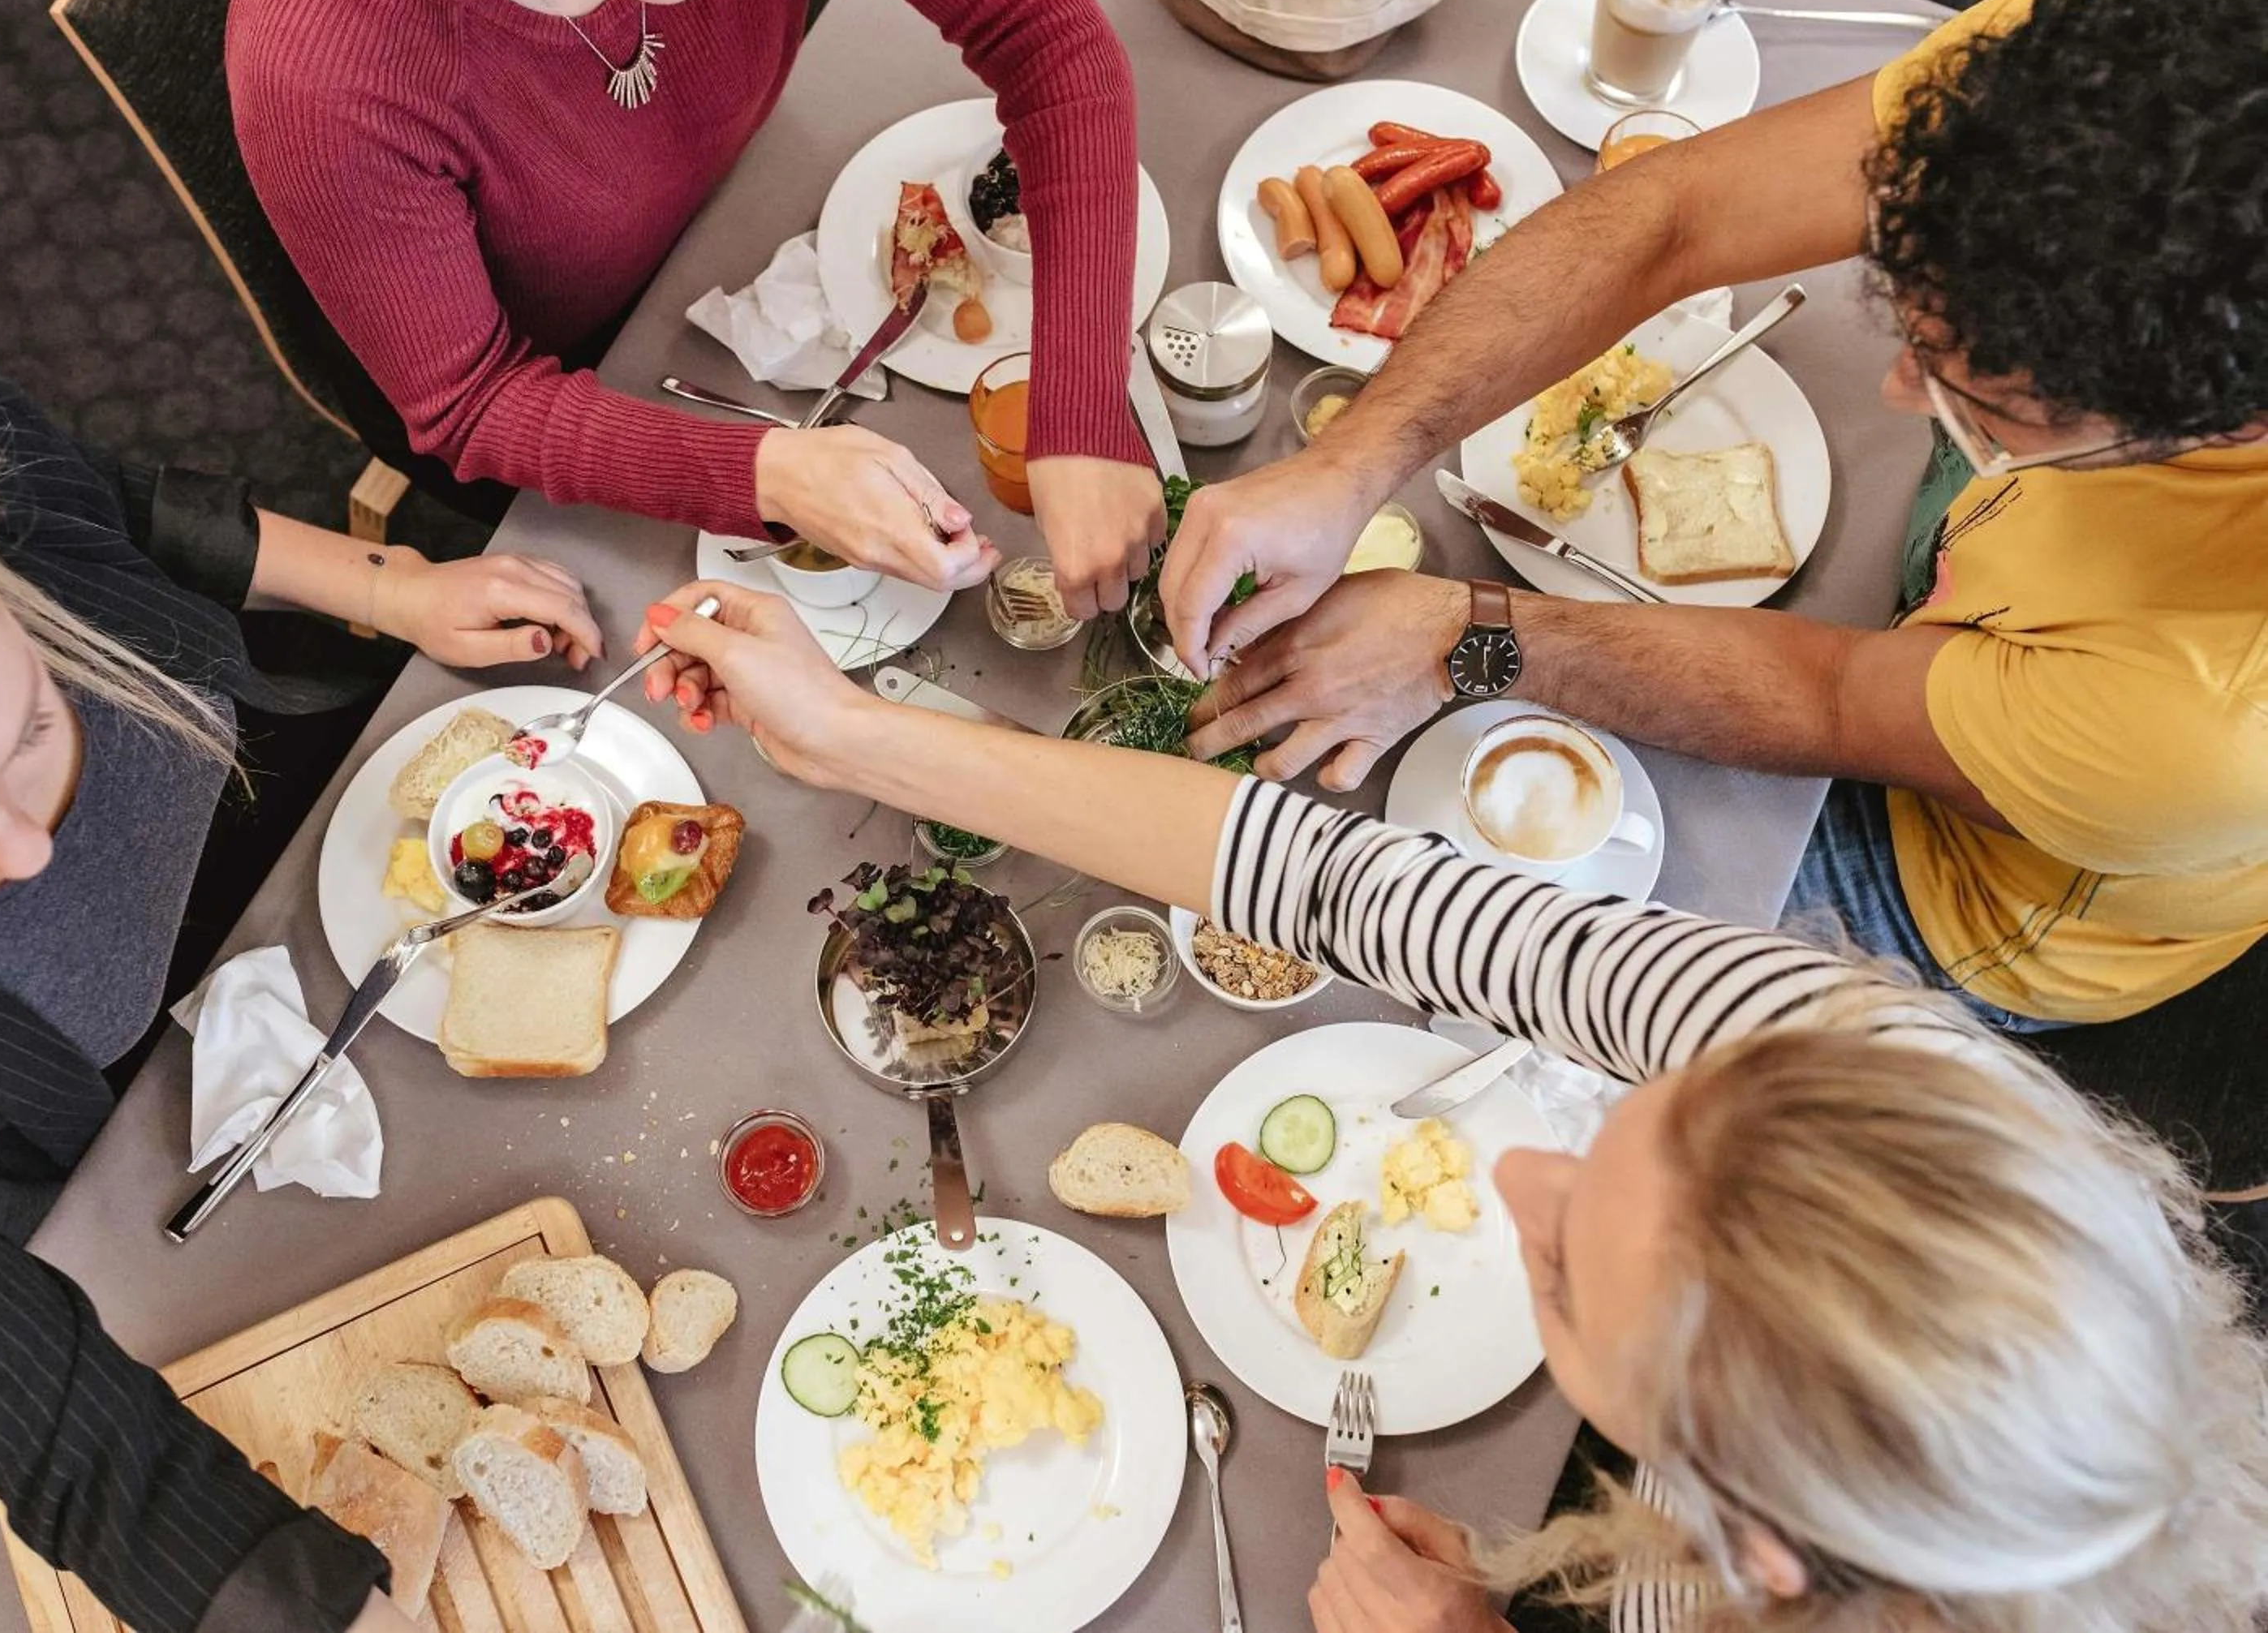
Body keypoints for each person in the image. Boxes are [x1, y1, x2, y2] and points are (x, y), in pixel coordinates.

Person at [634, 582, 2268, 1633]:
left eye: (1561, 1275)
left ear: (1746, 1542)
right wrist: (856, 733)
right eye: (1635, 1120)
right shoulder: (1837, 1046)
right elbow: (1327, 877)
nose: (1520, 1187)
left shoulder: (1730, 1580)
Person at [1155, 0, 2268, 1029]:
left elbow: (1836, 698)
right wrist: (1354, 462)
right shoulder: (2140, 90)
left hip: (1963, 873)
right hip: (1988, 617)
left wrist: (1465, 635)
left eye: (1983, 402)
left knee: (1501, 966)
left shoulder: (2207, 718)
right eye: (1918, 324)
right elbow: (1676, 215)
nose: (1896, 391)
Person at [0, 324, 606, 1632]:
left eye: (25, 724)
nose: (25, 850)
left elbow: (122, 505)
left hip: (301, 878)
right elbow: (49, 1417)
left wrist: (393, 588)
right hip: (132, 1193)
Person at [230, 0, 1168, 616]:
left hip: (736, 214)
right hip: (560, 390)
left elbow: (1049, 40)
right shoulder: (327, 65)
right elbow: (473, 403)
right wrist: (768, 472)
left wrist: (1081, 403)